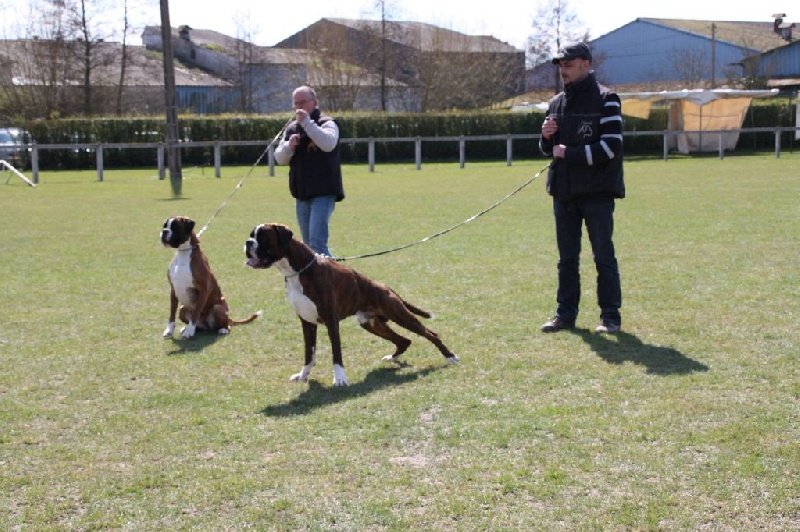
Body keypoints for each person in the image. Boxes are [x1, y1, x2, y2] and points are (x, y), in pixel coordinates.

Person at [538, 42, 625, 334]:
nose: (564, 70)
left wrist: (568, 153)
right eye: (561, 65)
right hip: (564, 192)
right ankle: (565, 315)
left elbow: (610, 147)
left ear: (586, 64)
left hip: (597, 192)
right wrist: (546, 138)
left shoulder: (607, 99)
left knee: (603, 255)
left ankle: (610, 317)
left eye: (569, 64)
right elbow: (549, 149)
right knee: (566, 259)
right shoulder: (556, 103)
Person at [274, 85, 344, 257]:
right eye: (295, 103)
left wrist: (307, 123)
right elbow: (279, 159)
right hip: (302, 194)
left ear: (314, 103)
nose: (298, 107)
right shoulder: (291, 129)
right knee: (308, 248)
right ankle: (317, 282)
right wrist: (289, 147)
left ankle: (334, 280)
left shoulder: (328, 123)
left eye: (303, 102)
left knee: (317, 244)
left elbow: (328, 144)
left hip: (324, 192)